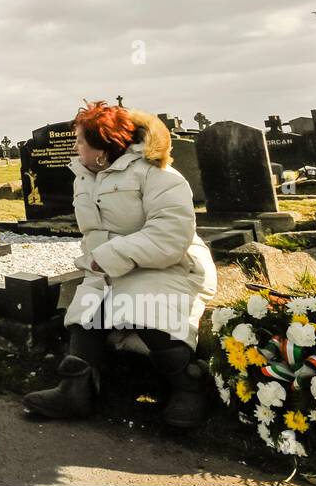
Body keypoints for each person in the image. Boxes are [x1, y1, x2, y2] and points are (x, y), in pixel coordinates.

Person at [21, 103, 217, 428]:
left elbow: (170, 233)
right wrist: (97, 263)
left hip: (170, 264)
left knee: (143, 301)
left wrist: (111, 256)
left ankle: (187, 383)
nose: (75, 147)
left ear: (102, 147)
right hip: (111, 267)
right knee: (85, 311)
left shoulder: (156, 172)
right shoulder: (84, 177)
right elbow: (94, 234)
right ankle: (75, 391)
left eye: (81, 140)